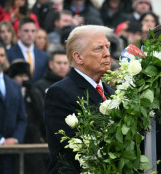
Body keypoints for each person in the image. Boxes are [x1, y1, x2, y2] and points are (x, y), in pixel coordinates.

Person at [44, 25, 115, 173]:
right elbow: (77, 147)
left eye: (107, 47)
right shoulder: (60, 92)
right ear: (78, 57)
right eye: (98, 48)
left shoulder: (111, 92)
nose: (107, 54)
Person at [7, 60, 47, 174]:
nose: (24, 79)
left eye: (26, 76)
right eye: (20, 76)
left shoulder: (33, 92)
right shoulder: (9, 92)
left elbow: (41, 113)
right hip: (14, 139)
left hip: (33, 139)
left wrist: (33, 92)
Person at [0, 41, 27, 174]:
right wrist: (1, 140)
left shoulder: (14, 85)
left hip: (12, 152)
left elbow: (22, 117)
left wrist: (15, 138)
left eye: (2, 55)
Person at [7, 18, 49, 83]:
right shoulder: (8, 54)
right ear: (18, 32)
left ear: (36, 33)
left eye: (32, 31)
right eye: (26, 31)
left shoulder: (44, 56)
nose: (30, 34)